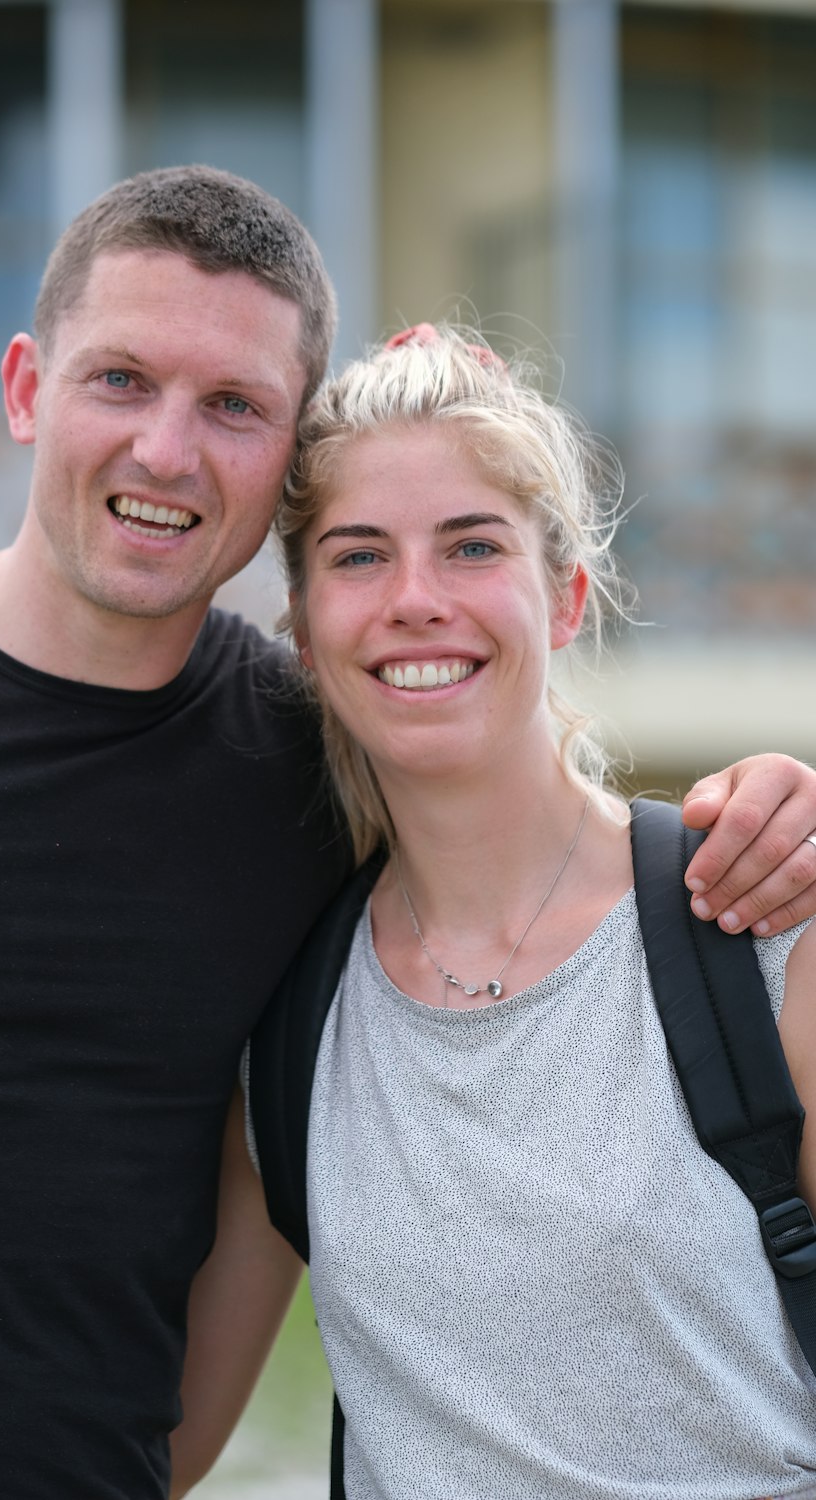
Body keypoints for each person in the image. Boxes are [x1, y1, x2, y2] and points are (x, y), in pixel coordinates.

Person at [0, 169, 813, 1500]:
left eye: (231, 405)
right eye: (120, 379)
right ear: (23, 389)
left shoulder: (316, 764)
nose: (167, 452)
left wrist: (779, 802)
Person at [174, 326, 816, 1499]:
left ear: (565, 597)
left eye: (471, 546)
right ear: (305, 635)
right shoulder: (291, 1028)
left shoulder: (760, 927)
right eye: (359, 557)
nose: (417, 601)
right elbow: (144, 1446)